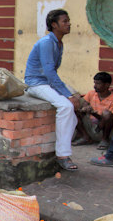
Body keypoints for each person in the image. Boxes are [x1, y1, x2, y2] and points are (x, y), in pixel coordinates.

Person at [25, 9, 81, 171]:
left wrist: (70, 94)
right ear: (54, 25)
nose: (69, 23)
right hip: (36, 83)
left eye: (68, 20)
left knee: (73, 114)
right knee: (66, 106)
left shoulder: (58, 42)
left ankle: (60, 148)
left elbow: (52, 74)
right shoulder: (47, 42)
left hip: (46, 82)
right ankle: (62, 155)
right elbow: (49, 72)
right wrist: (67, 95)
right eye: (65, 21)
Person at [73, 72, 113, 149]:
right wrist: (85, 107)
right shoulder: (91, 93)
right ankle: (85, 137)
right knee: (74, 110)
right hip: (90, 126)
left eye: (98, 83)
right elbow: (84, 103)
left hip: (103, 129)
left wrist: (93, 113)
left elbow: (108, 120)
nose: (95, 86)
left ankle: (105, 140)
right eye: (95, 83)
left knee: (106, 114)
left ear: (107, 85)